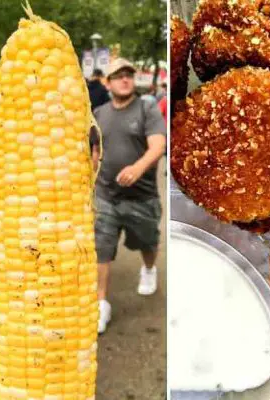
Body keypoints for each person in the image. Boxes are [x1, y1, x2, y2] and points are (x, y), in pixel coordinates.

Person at [89, 58, 167, 334]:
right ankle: (100, 304)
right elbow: (96, 151)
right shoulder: (99, 113)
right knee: (102, 247)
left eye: (129, 75)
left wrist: (138, 168)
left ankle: (148, 268)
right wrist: (90, 177)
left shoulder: (146, 108)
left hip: (141, 197)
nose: (125, 79)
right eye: (118, 76)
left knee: (147, 241)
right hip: (106, 195)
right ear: (107, 83)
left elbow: (158, 145)